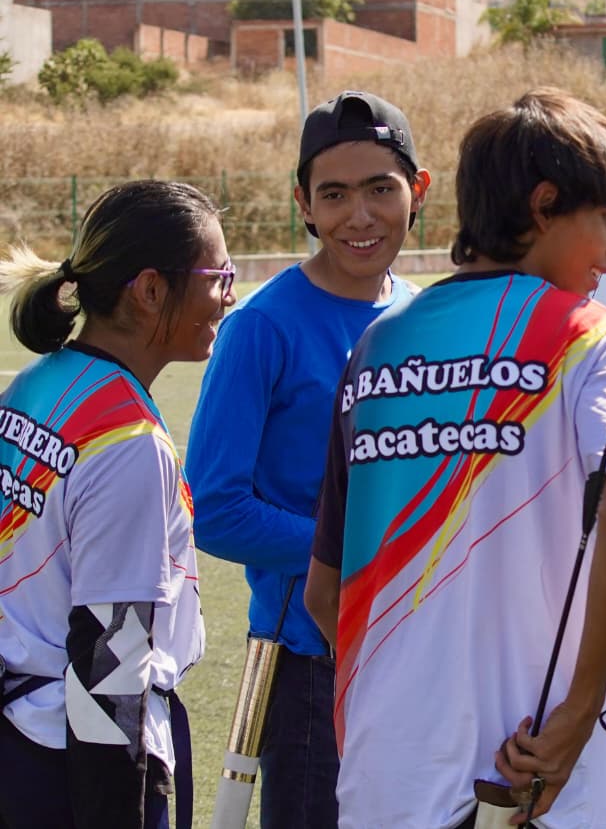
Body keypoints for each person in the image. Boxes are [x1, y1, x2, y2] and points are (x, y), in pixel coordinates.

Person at [304, 88, 606, 829]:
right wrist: (579, 710)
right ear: (543, 205)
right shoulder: (590, 335)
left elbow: (324, 593)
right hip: (533, 775)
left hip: (384, 775)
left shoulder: (379, 344)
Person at [186, 91, 429, 828]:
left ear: (417, 190)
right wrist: (356, 553)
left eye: (381, 189)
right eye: (335, 194)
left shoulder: (423, 314)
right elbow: (214, 508)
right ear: (305, 203)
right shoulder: (261, 327)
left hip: (420, 652)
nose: (360, 217)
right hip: (311, 666)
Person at [0, 179, 231, 828]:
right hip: (71, 762)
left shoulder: (39, 379)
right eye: (219, 274)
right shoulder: (128, 441)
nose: (228, 294)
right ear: (151, 289)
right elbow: (111, 658)